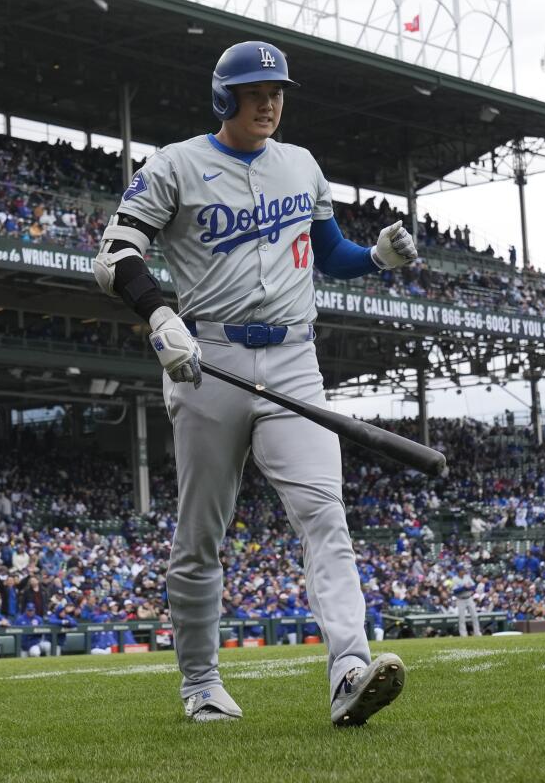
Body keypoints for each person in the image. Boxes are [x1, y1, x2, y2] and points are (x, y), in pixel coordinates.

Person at [94, 39, 411, 726]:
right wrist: (159, 316)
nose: (268, 103)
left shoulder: (300, 164)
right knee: (202, 532)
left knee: (324, 514)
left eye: (277, 92)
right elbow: (113, 253)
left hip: (296, 359)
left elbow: (331, 254)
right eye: (255, 92)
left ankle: (350, 668)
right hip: (211, 359)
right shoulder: (177, 164)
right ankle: (201, 683)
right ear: (225, 97)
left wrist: (378, 258)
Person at [452, 566, 482, 637]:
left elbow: (473, 587)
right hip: (460, 599)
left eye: (463, 570)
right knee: (462, 618)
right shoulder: (455, 579)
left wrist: (468, 587)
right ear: (458, 571)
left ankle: (477, 633)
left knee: (474, 616)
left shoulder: (467, 577)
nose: (463, 571)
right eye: (461, 570)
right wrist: (464, 587)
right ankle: (463, 634)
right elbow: (455, 591)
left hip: (469, 598)